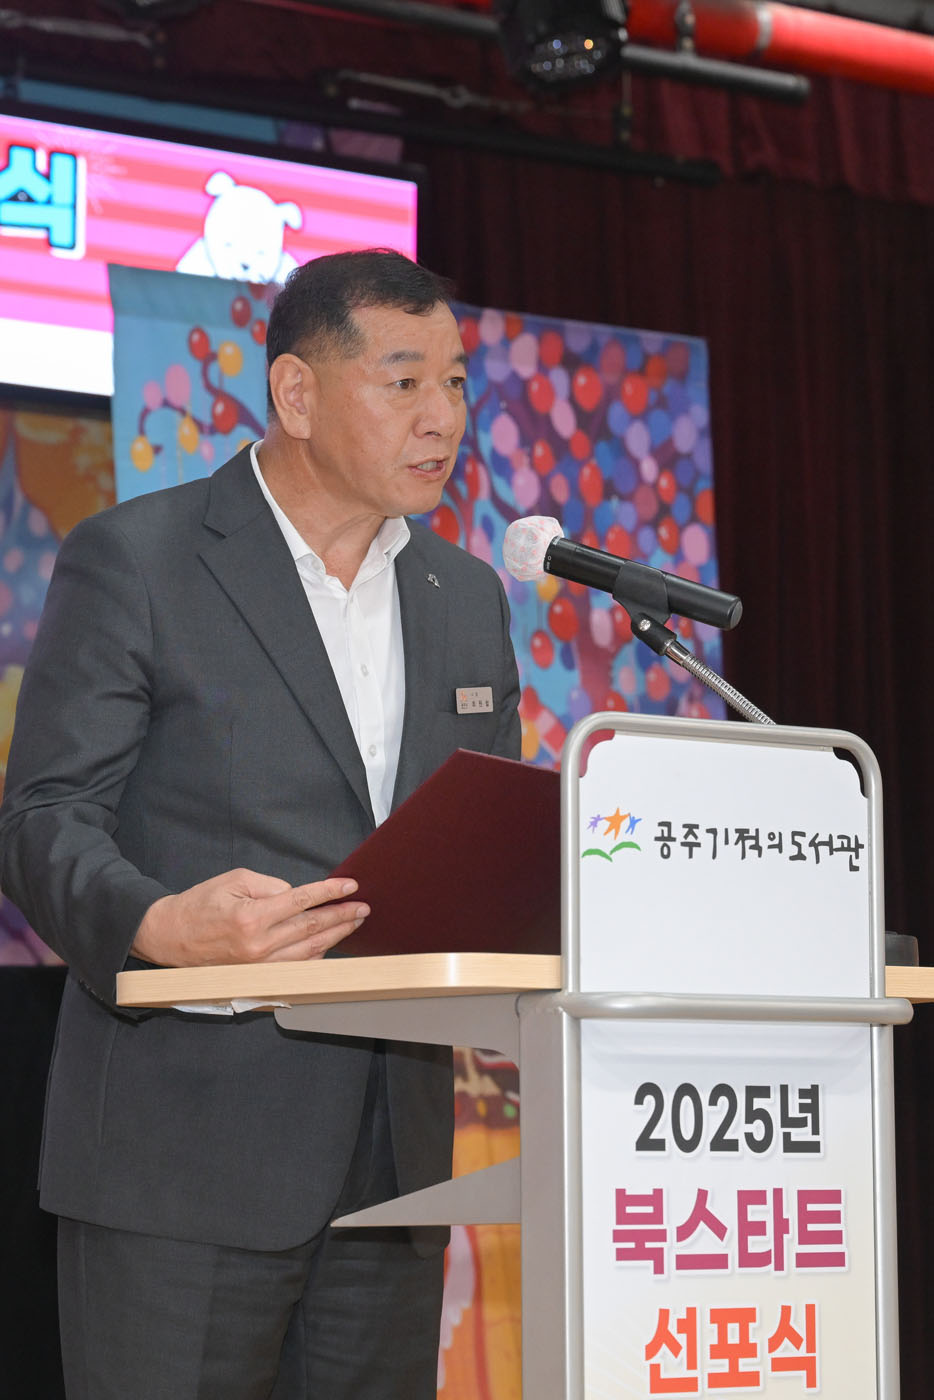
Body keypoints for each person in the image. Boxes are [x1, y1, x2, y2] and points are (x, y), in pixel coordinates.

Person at [0, 249, 520, 1399]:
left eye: (454, 383)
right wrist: (156, 923)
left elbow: (480, 838)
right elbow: (40, 817)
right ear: (296, 393)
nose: (441, 418)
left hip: (394, 1169)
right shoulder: (140, 559)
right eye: (403, 382)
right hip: (180, 1159)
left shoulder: (467, 599)